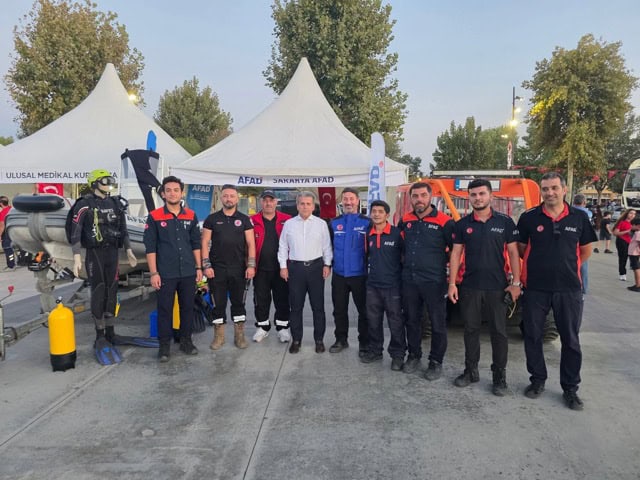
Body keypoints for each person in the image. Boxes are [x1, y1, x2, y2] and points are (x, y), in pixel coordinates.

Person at [517, 172, 597, 411]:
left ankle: (570, 388)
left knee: (570, 340)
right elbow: (521, 249)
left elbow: (585, 251)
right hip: (535, 288)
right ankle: (537, 380)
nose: (549, 193)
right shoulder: (529, 217)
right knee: (533, 336)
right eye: (545, 189)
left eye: (554, 188)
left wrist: (566, 268)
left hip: (569, 289)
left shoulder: (579, 218)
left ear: (564, 189)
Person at [448, 179, 522, 396]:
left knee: (499, 332)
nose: (478, 198)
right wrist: (452, 283)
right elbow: (456, 254)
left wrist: (516, 283)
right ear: (469, 197)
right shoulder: (462, 224)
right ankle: (470, 371)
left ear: (491, 196)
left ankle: (499, 377)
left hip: (497, 287)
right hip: (470, 286)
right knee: (470, 330)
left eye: (482, 194)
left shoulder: (505, 222)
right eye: (473, 194)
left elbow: (514, 253)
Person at [69, 169, 138, 365]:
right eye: (105, 180)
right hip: (95, 254)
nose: (108, 184)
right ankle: (100, 335)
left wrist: (129, 250)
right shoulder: (84, 204)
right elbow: (75, 231)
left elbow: (123, 230)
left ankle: (111, 331)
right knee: (98, 291)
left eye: (110, 180)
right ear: (94, 183)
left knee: (112, 291)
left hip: (112, 252)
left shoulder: (116, 203)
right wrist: (76, 257)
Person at [398, 182, 454, 379]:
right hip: (409, 280)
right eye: (415, 196)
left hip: (434, 281)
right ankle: (414, 355)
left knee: (437, 323)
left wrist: (448, 275)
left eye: (423, 195)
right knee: (412, 320)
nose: (419, 199)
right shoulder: (405, 220)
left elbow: (455, 251)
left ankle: (436, 361)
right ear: (410, 198)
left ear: (430, 197)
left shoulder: (445, 221)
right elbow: (401, 247)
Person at [144, 175, 202, 362]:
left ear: (181, 193)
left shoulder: (191, 215)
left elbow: (196, 244)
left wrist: (199, 267)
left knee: (187, 308)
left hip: (188, 271)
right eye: (168, 190)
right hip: (165, 273)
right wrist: (154, 273)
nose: (172, 193)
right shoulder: (154, 217)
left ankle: (186, 342)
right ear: (163, 194)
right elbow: (150, 248)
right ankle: (164, 347)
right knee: (164, 310)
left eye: (176, 190)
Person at [278, 191, 333, 354]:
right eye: (302, 203)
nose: (305, 206)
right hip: (296, 269)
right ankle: (296, 340)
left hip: (316, 268)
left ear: (313, 206)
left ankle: (319, 340)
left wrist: (327, 264)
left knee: (318, 307)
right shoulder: (289, 224)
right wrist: (283, 266)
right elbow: (283, 246)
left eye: (308, 204)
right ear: (297, 206)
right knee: (296, 307)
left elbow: (327, 246)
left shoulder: (321, 224)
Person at [202, 184, 256, 350]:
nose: (229, 199)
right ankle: (219, 337)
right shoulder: (212, 219)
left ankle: (239, 336)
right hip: (217, 269)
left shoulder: (244, 219)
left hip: (239, 269)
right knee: (218, 303)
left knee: (238, 303)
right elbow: (204, 242)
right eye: (225, 196)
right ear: (221, 198)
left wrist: (251, 265)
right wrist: (206, 265)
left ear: (237, 198)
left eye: (232, 196)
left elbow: (251, 244)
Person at [360, 200, 405, 370]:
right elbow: (366, 257)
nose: (376, 214)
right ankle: (375, 350)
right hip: (373, 286)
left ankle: (398, 355)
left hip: (393, 286)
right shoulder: (368, 234)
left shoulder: (397, 234)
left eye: (380, 211)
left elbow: (405, 258)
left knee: (395, 322)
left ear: (387, 215)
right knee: (373, 321)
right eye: (374, 211)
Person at [328, 188, 372, 356]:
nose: (348, 202)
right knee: (339, 310)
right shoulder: (334, 223)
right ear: (342, 201)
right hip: (339, 275)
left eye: (351, 199)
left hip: (360, 275)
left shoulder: (367, 223)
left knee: (364, 311)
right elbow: (328, 247)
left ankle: (364, 343)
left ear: (358, 201)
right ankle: (341, 339)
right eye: (345, 199)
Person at [251, 190, 292, 343]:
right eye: (265, 200)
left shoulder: (287, 220)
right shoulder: (252, 220)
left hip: (282, 268)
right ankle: (263, 327)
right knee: (261, 300)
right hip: (260, 268)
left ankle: (282, 328)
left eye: (271, 200)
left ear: (276, 202)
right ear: (261, 202)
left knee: (282, 299)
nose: (268, 203)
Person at [572, 194, 592, 294]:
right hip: (583, 241)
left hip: (570, 241)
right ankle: (583, 288)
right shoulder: (588, 213)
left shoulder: (569, 211)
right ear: (584, 202)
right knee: (583, 266)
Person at [612, 209, 637, 281]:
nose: (632, 215)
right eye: (631, 213)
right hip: (622, 241)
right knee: (623, 258)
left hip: (632, 242)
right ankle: (622, 273)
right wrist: (627, 231)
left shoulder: (634, 223)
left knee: (634, 258)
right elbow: (615, 233)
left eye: (634, 214)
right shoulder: (622, 222)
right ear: (627, 214)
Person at [0, 195, 16, 272]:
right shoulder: (12, 209)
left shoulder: (2, 213)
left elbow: (2, 226)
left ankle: (11, 266)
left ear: (1, 203)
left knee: (8, 249)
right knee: (12, 249)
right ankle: (14, 263)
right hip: (14, 232)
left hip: (6, 234)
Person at [627, 217, 640, 292]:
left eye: (632, 225)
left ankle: (638, 285)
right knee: (635, 269)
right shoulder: (636, 232)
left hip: (634, 253)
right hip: (633, 253)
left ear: (638, 225)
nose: (631, 226)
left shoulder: (638, 233)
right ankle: (637, 284)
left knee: (636, 269)